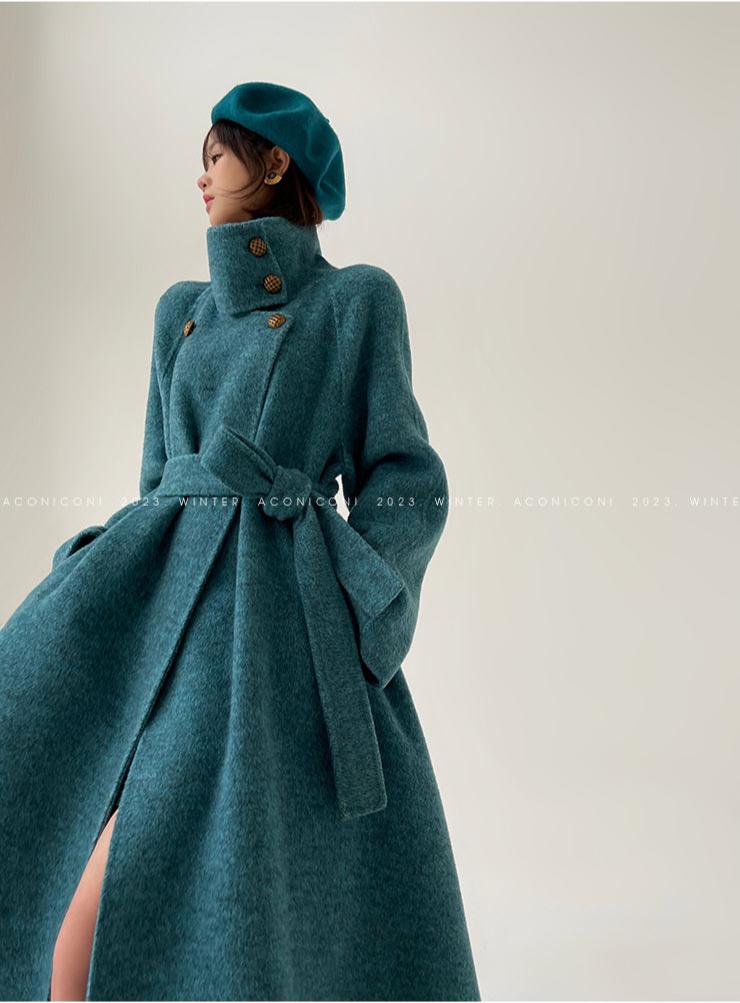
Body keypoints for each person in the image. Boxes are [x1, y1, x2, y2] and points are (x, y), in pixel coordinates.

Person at [0, 81, 481, 1001]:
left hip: (285, 636)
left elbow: (406, 477)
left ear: (273, 161)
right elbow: (157, 480)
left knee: (249, 887)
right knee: (81, 892)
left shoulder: (356, 301)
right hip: (172, 612)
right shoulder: (177, 310)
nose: (201, 177)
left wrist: (358, 604)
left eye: (216, 156)